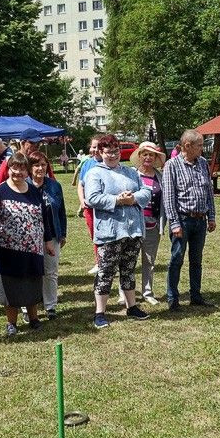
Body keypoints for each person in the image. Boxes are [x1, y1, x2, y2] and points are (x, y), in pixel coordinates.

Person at [84, 134, 152, 328]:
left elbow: (145, 192)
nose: (112, 155)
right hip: (110, 232)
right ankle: (100, 313)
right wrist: (117, 200)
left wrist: (133, 198)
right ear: (101, 152)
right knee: (106, 271)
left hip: (133, 230)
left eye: (115, 151)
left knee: (129, 269)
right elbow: (92, 198)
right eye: (108, 152)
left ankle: (132, 307)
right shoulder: (95, 173)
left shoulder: (131, 172)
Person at [0, 152, 54, 336]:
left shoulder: (34, 191)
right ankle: (12, 323)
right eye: (14, 167)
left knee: (32, 283)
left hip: (32, 249)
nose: (18, 171)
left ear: (27, 171)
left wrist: (48, 241)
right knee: (10, 286)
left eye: (22, 168)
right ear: (8, 169)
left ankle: (34, 319)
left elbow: (44, 218)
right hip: (7, 250)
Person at [162, 128, 216, 310]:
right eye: (200, 145)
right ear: (188, 145)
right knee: (176, 259)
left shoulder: (202, 163)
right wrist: (175, 223)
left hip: (200, 221)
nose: (202, 148)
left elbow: (209, 191)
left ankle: (196, 295)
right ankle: (173, 298)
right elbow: (169, 198)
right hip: (182, 221)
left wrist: (211, 217)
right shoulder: (172, 165)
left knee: (196, 260)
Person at [29, 151, 67, 319]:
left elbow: (61, 212)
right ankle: (28, 307)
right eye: (36, 165)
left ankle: (50, 306)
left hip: (52, 235)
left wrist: (63, 233)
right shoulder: (24, 185)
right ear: (30, 167)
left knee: (51, 272)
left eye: (43, 165)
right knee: (30, 273)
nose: (40, 168)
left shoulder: (54, 186)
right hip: (29, 238)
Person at [127, 141, 166, 305]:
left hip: (152, 225)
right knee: (128, 260)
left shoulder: (160, 177)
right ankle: (125, 292)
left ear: (155, 157)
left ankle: (147, 292)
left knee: (149, 261)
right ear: (140, 156)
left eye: (151, 154)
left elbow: (164, 201)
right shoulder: (131, 174)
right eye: (145, 154)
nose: (148, 157)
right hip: (132, 225)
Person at [77, 134, 103, 274]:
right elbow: (81, 185)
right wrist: (82, 202)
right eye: (93, 147)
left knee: (105, 235)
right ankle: (99, 262)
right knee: (94, 235)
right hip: (89, 207)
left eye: (99, 147)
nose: (95, 150)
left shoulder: (108, 162)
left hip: (103, 208)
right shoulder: (87, 163)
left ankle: (106, 262)